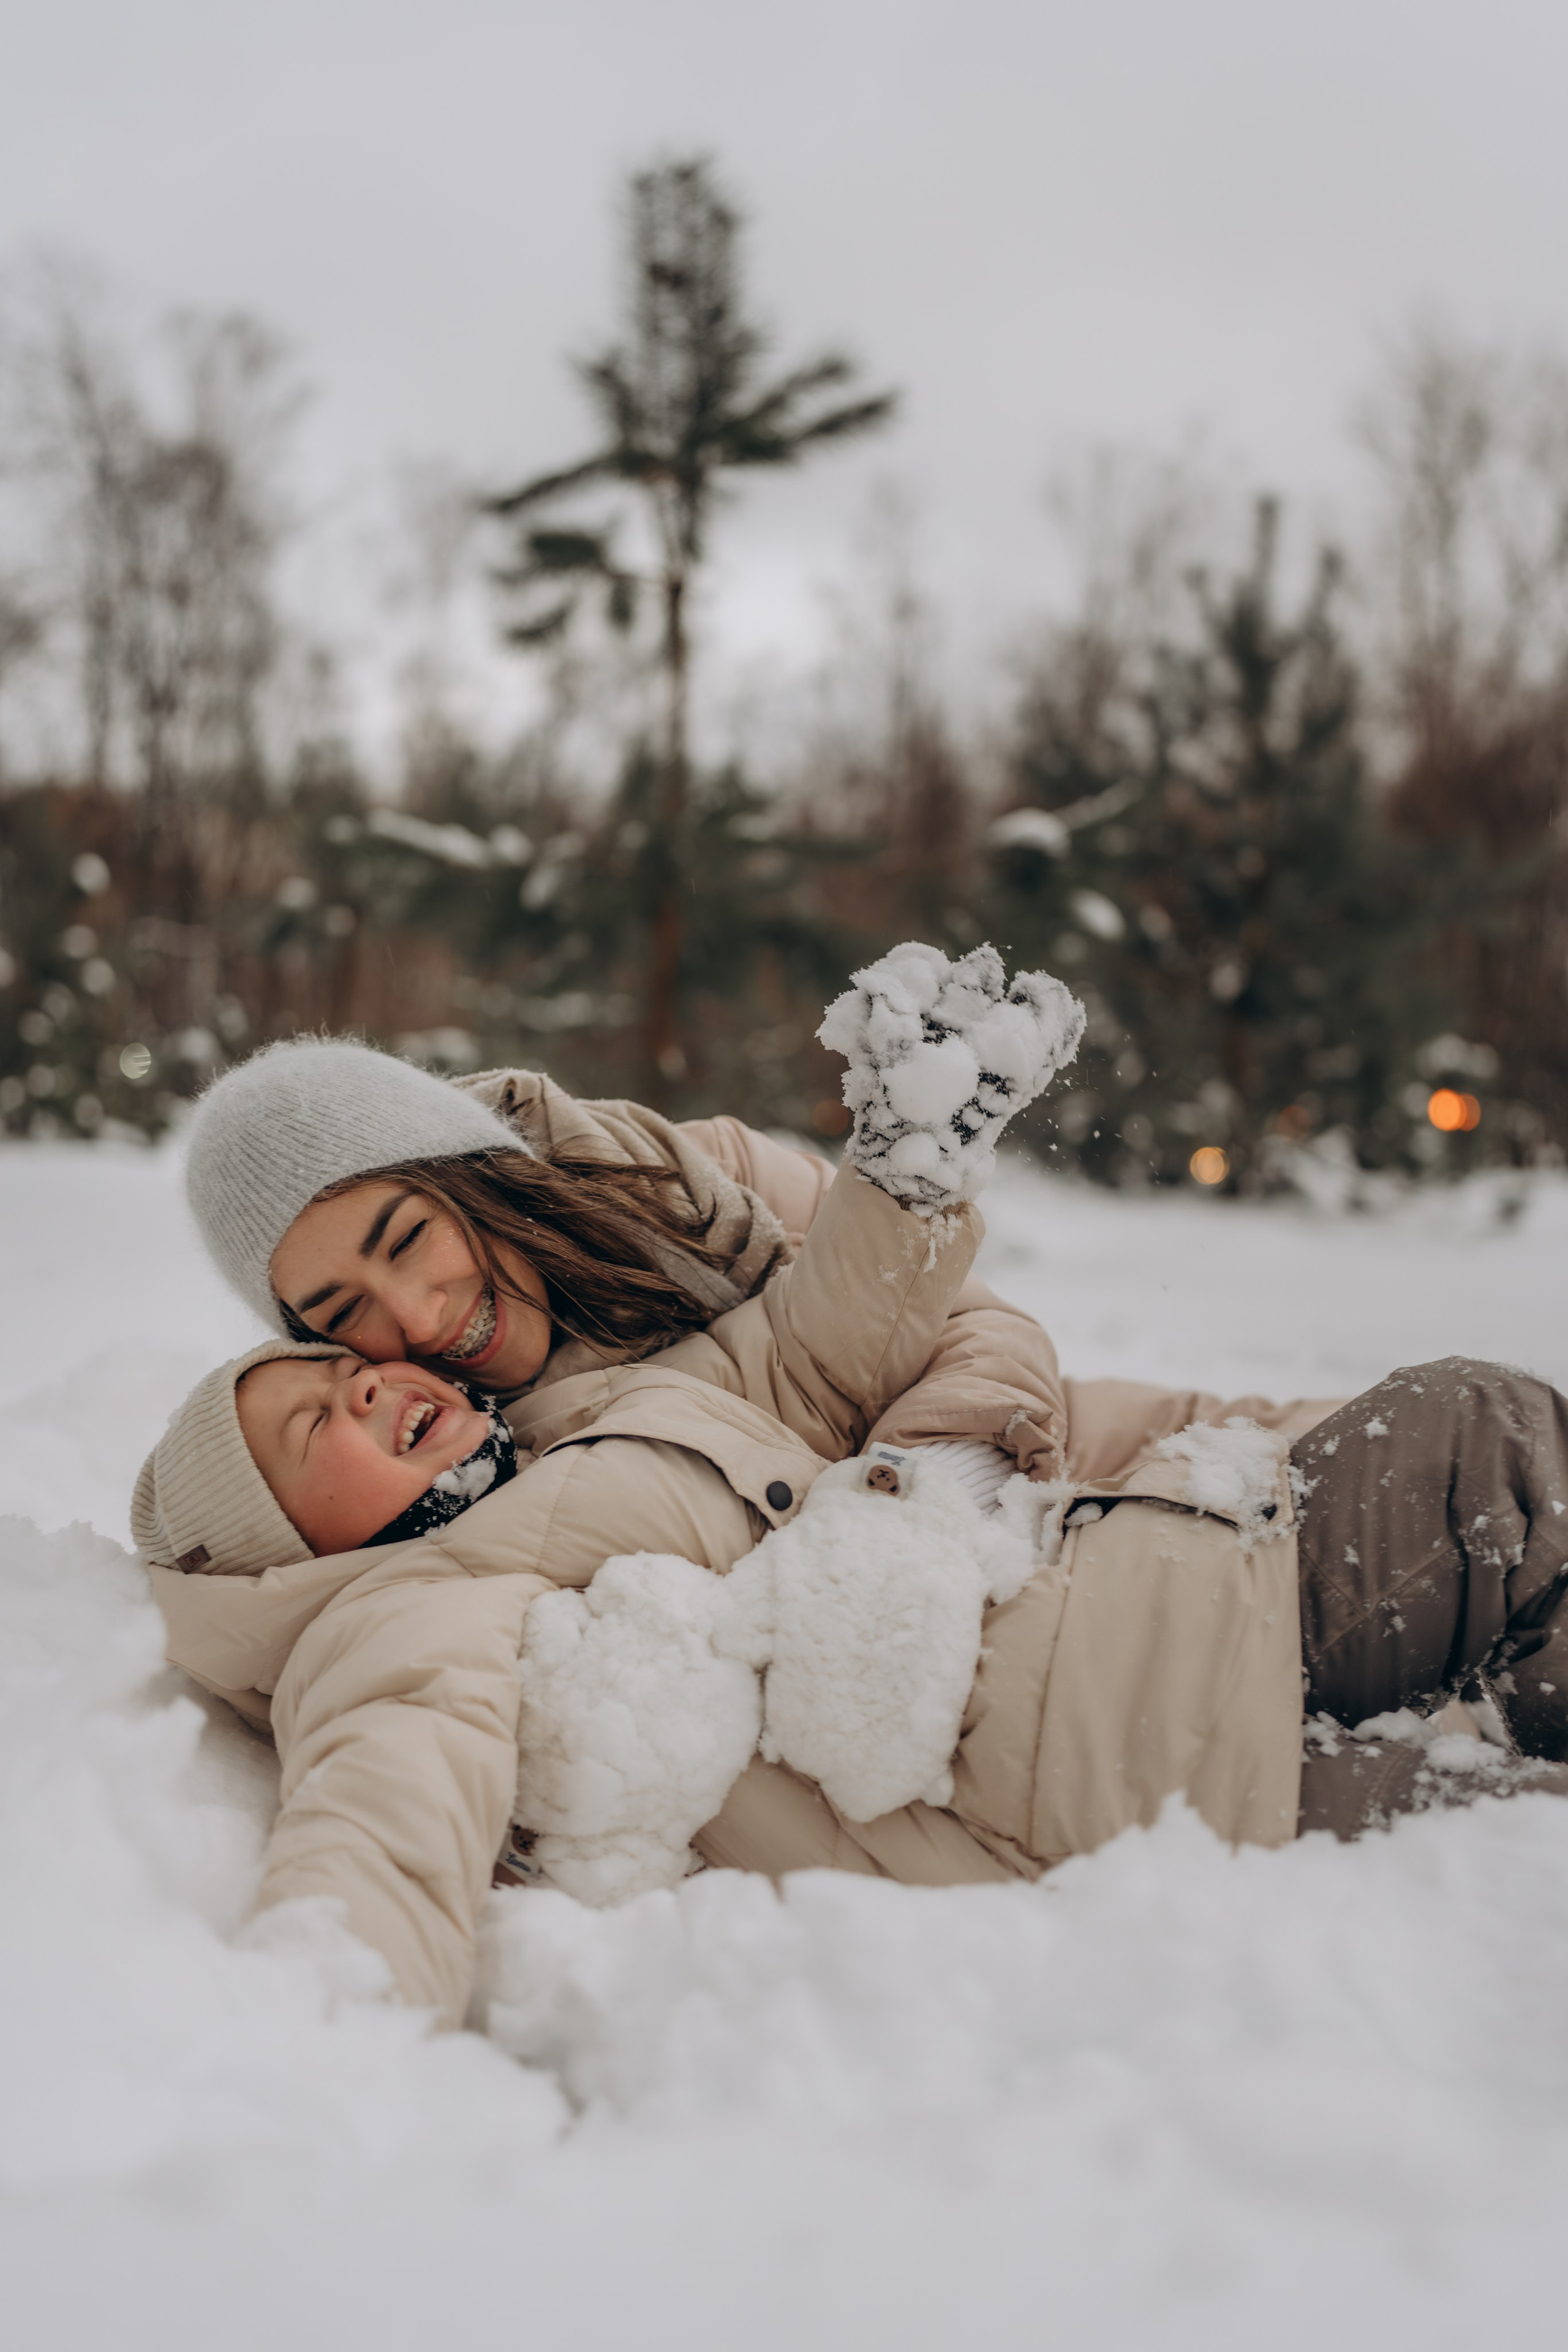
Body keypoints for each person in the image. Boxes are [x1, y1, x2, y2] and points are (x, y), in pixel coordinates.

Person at [138, 943, 1568, 2030]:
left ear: (469, 1177)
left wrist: (923, 1475)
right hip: (1082, 1700)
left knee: (1489, 1458)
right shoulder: (488, 1506)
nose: (406, 1319)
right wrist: (318, 2015)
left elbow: (962, 1330)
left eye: (407, 1234)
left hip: (1082, 1495)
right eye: (334, 1321)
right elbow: (395, 1765)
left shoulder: (684, 1191)